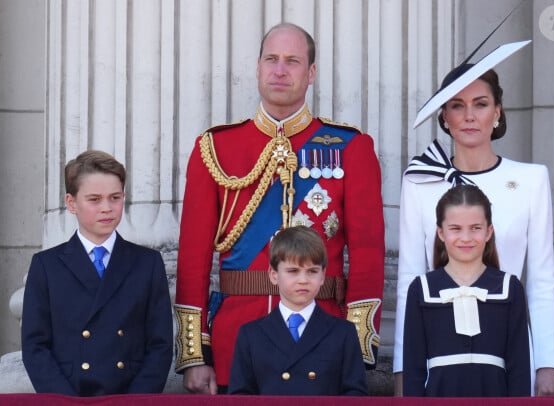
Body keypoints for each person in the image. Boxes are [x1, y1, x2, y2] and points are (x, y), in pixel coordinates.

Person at [174, 22, 385, 393]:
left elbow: (368, 255)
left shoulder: (351, 147)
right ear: (257, 68)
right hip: (235, 344)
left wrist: (355, 347)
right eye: (271, 59)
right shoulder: (215, 148)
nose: (280, 69)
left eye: (292, 61)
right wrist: (195, 354)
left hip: (324, 343)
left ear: (311, 73)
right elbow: (193, 258)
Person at [394, 47, 554, 395]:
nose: (469, 115)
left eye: (481, 104)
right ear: (444, 116)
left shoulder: (531, 179)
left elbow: (541, 281)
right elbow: (410, 276)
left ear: (497, 112)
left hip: (509, 346)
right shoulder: (420, 181)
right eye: (457, 105)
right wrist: (401, 368)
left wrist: (548, 364)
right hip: (438, 352)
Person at [21, 150, 173, 396]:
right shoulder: (46, 266)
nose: (107, 208)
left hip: (129, 398)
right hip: (69, 397)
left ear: (124, 197)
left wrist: (134, 402)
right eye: (94, 199)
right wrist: (66, 403)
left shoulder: (147, 263)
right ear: (71, 203)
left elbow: (160, 344)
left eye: (115, 197)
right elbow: (35, 346)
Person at [403, 184, 530, 396]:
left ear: (489, 231)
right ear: (441, 233)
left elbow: (519, 371)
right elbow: (413, 371)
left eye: (475, 228)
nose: (466, 237)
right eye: (455, 228)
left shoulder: (510, 288)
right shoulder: (421, 289)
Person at [228, 226, 368, 395]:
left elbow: (355, 396)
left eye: (312, 271)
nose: (303, 280)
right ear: (273, 275)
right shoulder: (251, 335)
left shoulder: (343, 333)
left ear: (323, 275)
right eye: (293, 271)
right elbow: (240, 397)